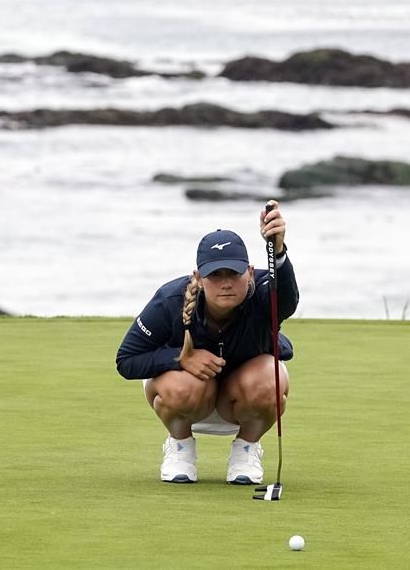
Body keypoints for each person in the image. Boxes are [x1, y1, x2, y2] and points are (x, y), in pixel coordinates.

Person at [115, 202, 298, 484]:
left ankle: (246, 450)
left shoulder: (264, 292)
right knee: (183, 384)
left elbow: (286, 302)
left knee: (269, 376)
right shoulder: (170, 301)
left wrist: (279, 250)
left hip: (242, 400)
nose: (225, 283)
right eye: (215, 275)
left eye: (234, 274)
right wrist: (181, 358)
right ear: (198, 278)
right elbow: (126, 361)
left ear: (250, 272)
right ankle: (180, 447)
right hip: (189, 400)